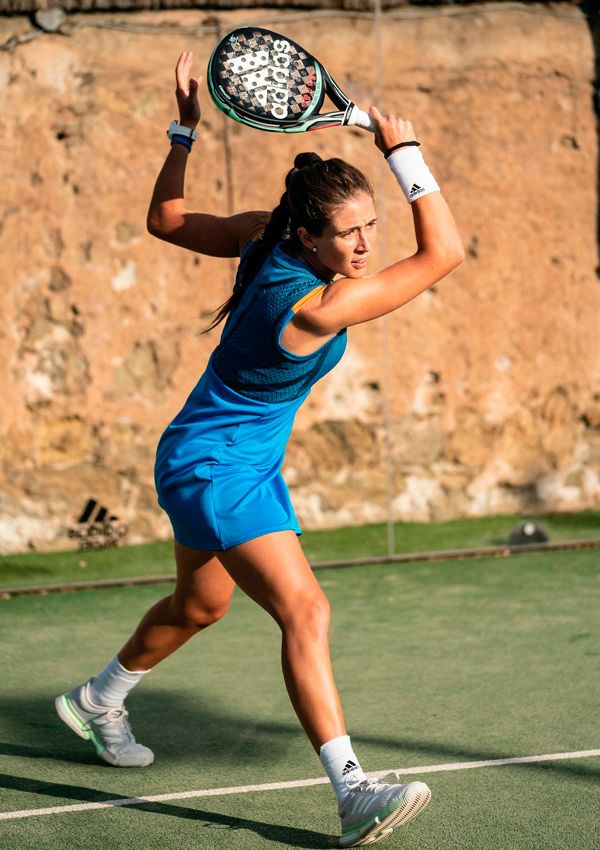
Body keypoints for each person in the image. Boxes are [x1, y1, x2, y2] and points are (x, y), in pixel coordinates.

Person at [56, 52, 464, 847]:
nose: (364, 245)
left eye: (370, 226)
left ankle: (99, 699)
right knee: (306, 609)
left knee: (200, 606)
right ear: (307, 235)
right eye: (348, 234)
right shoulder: (318, 307)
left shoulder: (263, 237)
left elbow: (165, 222)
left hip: (211, 457)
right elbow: (443, 255)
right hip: (216, 468)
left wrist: (184, 130)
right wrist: (405, 157)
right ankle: (353, 793)